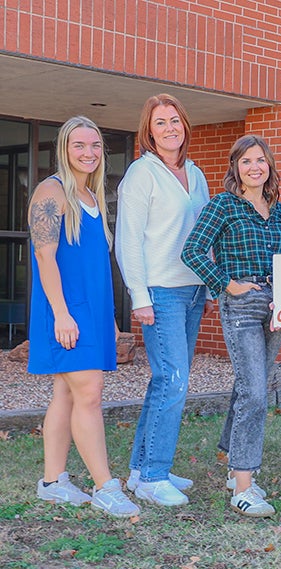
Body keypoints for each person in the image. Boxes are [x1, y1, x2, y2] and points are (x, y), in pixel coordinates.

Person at [29, 116, 139, 517]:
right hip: (65, 310)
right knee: (90, 393)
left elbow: (94, 265)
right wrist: (61, 314)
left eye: (94, 145)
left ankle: (52, 482)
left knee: (66, 392)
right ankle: (105, 486)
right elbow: (45, 257)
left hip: (91, 312)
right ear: (64, 148)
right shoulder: (51, 191)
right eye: (79, 145)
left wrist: (108, 319)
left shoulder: (92, 196)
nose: (88, 152)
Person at [181, 135, 281, 517]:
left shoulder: (277, 209)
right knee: (256, 394)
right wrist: (226, 284)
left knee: (249, 387)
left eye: (260, 160)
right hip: (240, 303)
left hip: (275, 305)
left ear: (269, 165)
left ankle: (231, 459)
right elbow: (192, 251)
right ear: (235, 168)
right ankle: (243, 486)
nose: (255, 167)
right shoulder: (223, 205)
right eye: (246, 161)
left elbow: (280, 258)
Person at [115, 94, 210, 507]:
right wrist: (139, 296)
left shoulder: (196, 173)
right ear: (148, 131)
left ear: (184, 125)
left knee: (166, 381)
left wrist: (208, 286)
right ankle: (154, 476)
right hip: (160, 293)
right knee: (173, 380)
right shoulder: (142, 173)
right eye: (160, 122)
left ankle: (142, 470)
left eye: (175, 120)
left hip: (193, 291)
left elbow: (205, 234)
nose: (170, 128)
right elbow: (128, 241)